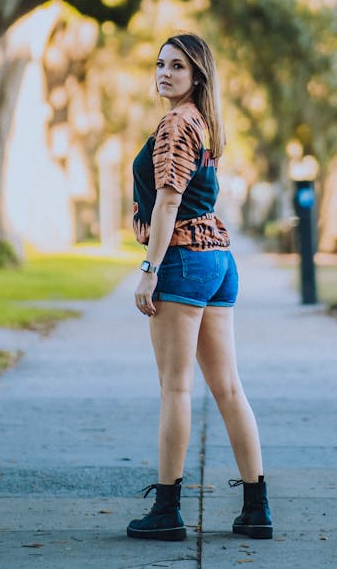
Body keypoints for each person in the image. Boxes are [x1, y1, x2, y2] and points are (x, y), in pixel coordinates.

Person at [126, 32, 273, 542]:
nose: (165, 73)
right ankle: (257, 509)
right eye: (160, 63)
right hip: (218, 260)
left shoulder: (174, 124)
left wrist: (150, 268)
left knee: (176, 389)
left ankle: (167, 510)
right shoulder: (206, 125)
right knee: (229, 388)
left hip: (185, 261)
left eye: (178, 67)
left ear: (197, 77)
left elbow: (168, 203)